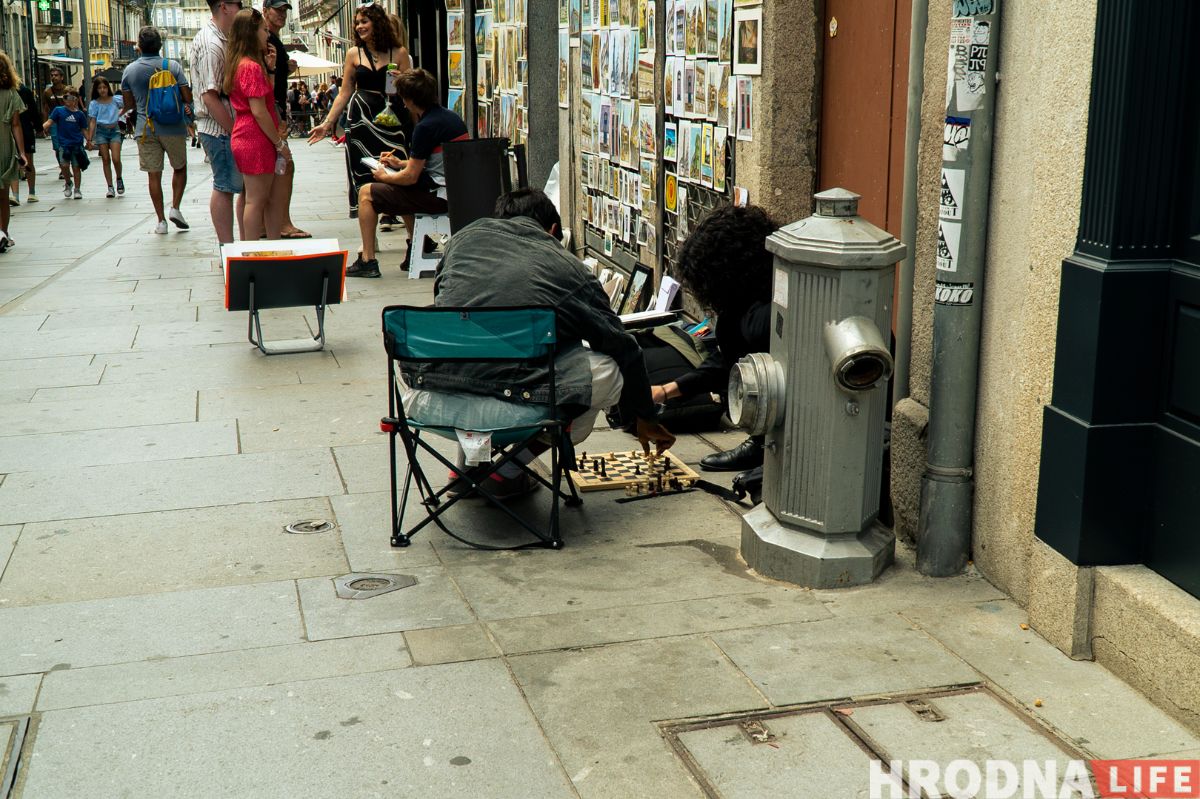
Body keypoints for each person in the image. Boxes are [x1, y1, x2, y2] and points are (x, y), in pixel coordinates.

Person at [402, 188, 675, 498]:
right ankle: (507, 470)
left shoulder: (461, 241)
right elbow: (623, 348)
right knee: (606, 371)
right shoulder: (568, 268)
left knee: (476, 353)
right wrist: (643, 415)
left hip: (426, 400)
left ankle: (469, 467)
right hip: (509, 410)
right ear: (553, 231)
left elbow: (447, 305)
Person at [651, 204, 777, 472]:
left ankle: (768, 446)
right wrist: (667, 391)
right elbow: (725, 360)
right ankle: (763, 443)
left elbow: (735, 361)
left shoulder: (761, 316)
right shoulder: (749, 303)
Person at [343, 68, 466, 278]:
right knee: (400, 186)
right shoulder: (450, 117)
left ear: (409, 99)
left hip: (440, 196)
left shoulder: (425, 127)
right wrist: (400, 163)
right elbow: (432, 162)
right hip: (455, 189)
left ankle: (368, 260)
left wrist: (385, 176)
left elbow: (411, 177)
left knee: (366, 192)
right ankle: (413, 246)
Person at [306, 2, 409, 217]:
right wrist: (326, 124)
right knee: (363, 176)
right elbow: (344, 93)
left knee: (398, 174)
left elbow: (412, 93)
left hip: (393, 120)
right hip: (361, 121)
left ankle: (411, 236)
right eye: (357, 23)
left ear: (378, 23)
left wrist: (405, 81)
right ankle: (368, 241)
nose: (359, 27)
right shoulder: (354, 54)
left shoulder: (399, 53)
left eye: (364, 21)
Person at [224, 6, 289, 241]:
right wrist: (279, 143)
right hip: (255, 136)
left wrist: (270, 71)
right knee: (256, 199)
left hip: (251, 134)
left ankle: (271, 247)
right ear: (251, 33)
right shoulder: (250, 66)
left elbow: (264, 99)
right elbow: (259, 110)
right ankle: (252, 253)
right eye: (263, 30)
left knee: (267, 198)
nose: (267, 34)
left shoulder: (243, 63)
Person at [121, 26, 193, 234]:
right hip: (172, 126)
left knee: (154, 175)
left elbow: (129, 104)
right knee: (179, 167)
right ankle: (176, 208)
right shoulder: (172, 66)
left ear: (139, 46)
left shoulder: (130, 71)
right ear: (160, 45)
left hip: (145, 127)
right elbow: (187, 96)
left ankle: (161, 221)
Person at [190, 0, 245, 244]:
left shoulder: (222, 37)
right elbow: (210, 98)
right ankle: (227, 248)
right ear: (224, 6)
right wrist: (235, 131)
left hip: (222, 127)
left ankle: (236, 248)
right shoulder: (212, 44)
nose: (241, 8)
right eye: (238, 4)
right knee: (224, 186)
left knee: (236, 186)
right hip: (218, 128)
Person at [262, 0, 309, 239]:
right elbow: (264, 76)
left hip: (273, 107)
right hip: (272, 109)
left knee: (274, 168)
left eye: (284, 11)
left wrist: (285, 69)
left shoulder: (273, 39)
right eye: (277, 9)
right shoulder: (267, 39)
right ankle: (283, 223)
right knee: (285, 166)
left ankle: (267, 223)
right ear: (265, 11)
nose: (281, 14)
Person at [0, 51, 28, 252]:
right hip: (4, 147)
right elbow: (16, 125)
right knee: (3, 195)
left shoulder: (11, 94)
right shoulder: (11, 94)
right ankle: (4, 233)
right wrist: (22, 152)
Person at [43, 88, 87, 199]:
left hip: (77, 144)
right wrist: (44, 126)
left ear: (76, 100)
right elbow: (50, 121)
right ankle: (68, 182)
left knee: (76, 167)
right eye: (65, 97)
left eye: (71, 97)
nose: (68, 100)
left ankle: (77, 189)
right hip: (63, 144)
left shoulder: (80, 114)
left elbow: (83, 129)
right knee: (64, 165)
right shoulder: (58, 110)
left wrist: (90, 141)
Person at [85, 77, 125, 198]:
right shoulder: (94, 104)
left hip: (115, 130)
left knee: (116, 158)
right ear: (96, 90)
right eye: (99, 88)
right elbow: (92, 121)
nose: (102, 90)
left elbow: (129, 103)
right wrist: (89, 139)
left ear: (108, 88)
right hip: (101, 132)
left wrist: (121, 114)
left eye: (104, 87)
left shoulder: (116, 100)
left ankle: (119, 178)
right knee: (105, 159)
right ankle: (110, 187)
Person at [40, 66, 72, 190]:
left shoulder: (67, 90)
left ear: (62, 77)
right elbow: (45, 108)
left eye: (56, 75)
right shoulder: (47, 92)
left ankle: (67, 168)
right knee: (58, 147)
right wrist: (44, 124)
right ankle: (63, 169)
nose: (54, 77)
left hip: (66, 121)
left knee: (67, 145)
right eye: (52, 75)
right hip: (53, 122)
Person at [10, 75, 38, 204]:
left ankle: (32, 192)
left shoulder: (24, 90)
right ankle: (15, 195)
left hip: (25, 129)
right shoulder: (5, 91)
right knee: (12, 163)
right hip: (9, 130)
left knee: (28, 161)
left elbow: (33, 110)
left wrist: (38, 127)